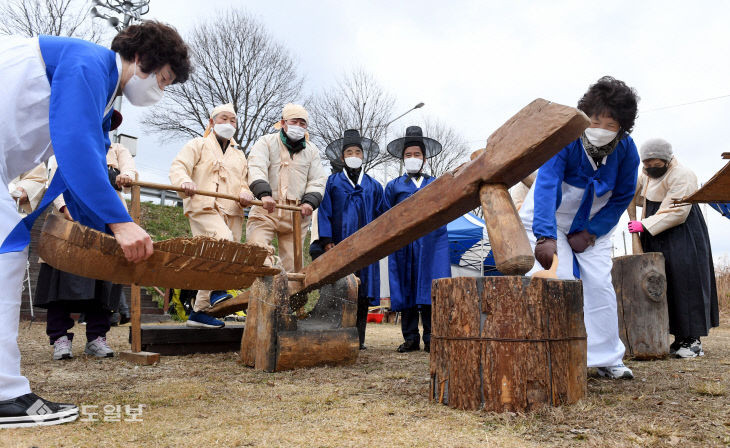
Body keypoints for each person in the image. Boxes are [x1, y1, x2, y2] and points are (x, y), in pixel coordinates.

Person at [0, 22, 190, 428]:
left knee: (10, 245)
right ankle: (5, 393)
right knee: (7, 255)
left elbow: (74, 170)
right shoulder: (88, 62)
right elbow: (74, 144)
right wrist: (120, 222)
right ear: (141, 59)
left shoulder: (104, 100)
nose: (160, 89)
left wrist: (100, 226)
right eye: (163, 78)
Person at [519, 76, 640, 379]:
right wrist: (546, 236)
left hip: (593, 225)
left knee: (598, 283)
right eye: (595, 120)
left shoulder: (627, 151)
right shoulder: (565, 138)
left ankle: (606, 358)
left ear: (622, 128)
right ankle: (549, 351)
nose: (601, 129)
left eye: (611, 125)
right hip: (549, 218)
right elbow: (546, 186)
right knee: (556, 277)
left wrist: (591, 232)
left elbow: (622, 197)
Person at [629, 138, 719, 358]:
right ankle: (675, 337)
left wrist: (645, 224)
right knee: (663, 282)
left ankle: (693, 341)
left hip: (683, 232)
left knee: (686, 281)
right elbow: (634, 192)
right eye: (646, 162)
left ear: (667, 159)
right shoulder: (646, 175)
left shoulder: (683, 174)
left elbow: (678, 212)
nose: (650, 167)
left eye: (655, 162)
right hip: (655, 233)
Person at [170, 103, 254, 328]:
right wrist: (184, 181)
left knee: (215, 258)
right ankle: (219, 289)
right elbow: (179, 166)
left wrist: (246, 192)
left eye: (232, 120)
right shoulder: (197, 144)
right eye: (223, 119)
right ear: (211, 122)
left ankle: (198, 312)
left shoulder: (239, 154)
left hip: (232, 210)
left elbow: (245, 181)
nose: (228, 124)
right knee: (222, 242)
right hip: (203, 206)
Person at [35, 156, 120, 360]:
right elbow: (55, 179)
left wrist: (125, 176)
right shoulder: (62, 147)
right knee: (58, 284)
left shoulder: (116, 151)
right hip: (67, 226)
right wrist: (66, 208)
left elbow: (129, 173)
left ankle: (96, 337)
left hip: (104, 223)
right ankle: (60, 337)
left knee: (102, 285)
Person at [318, 129, 386, 350]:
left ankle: (359, 338)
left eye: (358, 151)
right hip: (340, 245)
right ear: (342, 157)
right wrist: (327, 240)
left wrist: (377, 242)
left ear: (363, 156)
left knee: (362, 292)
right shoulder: (333, 182)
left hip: (366, 249)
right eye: (349, 151)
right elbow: (325, 211)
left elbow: (381, 215)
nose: (354, 155)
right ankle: (337, 334)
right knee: (341, 287)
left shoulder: (374, 186)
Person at [384, 126, 451, 353]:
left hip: (430, 244)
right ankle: (410, 337)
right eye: (409, 155)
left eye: (417, 155)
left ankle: (431, 337)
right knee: (407, 289)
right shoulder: (394, 186)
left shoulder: (436, 183)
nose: (413, 158)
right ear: (403, 158)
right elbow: (385, 216)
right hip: (404, 246)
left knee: (429, 288)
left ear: (424, 158)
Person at [246, 104, 329, 281]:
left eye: (302, 123)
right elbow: (256, 166)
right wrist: (264, 193)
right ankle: (264, 290)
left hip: (296, 213)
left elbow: (317, 180)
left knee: (293, 267)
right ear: (283, 123)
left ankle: (286, 304)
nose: (298, 126)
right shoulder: (266, 142)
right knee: (258, 251)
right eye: (294, 122)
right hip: (266, 208)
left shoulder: (312, 151)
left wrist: (309, 202)